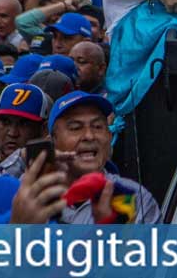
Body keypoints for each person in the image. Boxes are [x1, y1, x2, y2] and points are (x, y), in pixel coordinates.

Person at [9, 91, 161, 224]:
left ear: (109, 136)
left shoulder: (134, 197)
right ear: (52, 141)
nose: (89, 136)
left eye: (97, 127)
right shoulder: (23, 192)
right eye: (75, 128)